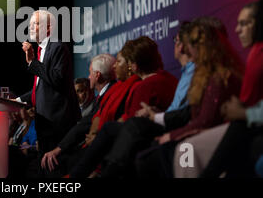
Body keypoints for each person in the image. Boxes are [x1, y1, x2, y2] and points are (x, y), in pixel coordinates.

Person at [135, 19, 244, 178]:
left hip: (215, 137)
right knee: (148, 153)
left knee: (152, 157)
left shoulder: (219, 76)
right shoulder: (203, 75)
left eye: (190, 45)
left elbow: (206, 121)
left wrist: (171, 135)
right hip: (198, 133)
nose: (186, 50)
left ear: (204, 47)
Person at [69, 36, 178, 178]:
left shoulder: (145, 86)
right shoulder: (169, 78)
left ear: (134, 65)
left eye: (121, 61)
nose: (115, 66)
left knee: (109, 130)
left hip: (146, 142)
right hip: (155, 135)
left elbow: (131, 126)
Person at [191, 0, 263, 178]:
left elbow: (205, 120)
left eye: (244, 23)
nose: (237, 30)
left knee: (187, 149)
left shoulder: (222, 76)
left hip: (244, 126)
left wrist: (244, 113)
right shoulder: (255, 54)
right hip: (241, 126)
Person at [19, 10, 81, 175]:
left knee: (56, 171)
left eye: (36, 24)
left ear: (49, 28)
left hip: (57, 123)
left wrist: (33, 63)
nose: (31, 27)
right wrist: (17, 100)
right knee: (44, 171)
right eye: (30, 24)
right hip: (44, 122)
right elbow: (40, 88)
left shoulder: (58, 47)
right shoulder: (41, 50)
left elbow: (57, 80)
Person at [39, 53, 118, 177]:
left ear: (97, 75)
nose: (88, 76)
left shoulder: (111, 93)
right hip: (93, 147)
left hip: (100, 150)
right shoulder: (105, 94)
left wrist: (58, 150)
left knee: (53, 164)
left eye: (90, 72)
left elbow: (86, 124)